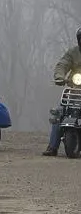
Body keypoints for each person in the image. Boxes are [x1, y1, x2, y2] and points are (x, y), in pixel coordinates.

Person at [43, 27, 81, 156]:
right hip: (75, 89)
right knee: (60, 112)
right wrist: (59, 77)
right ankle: (52, 147)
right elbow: (62, 64)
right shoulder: (73, 52)